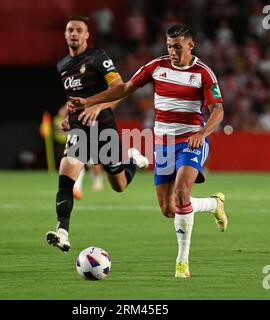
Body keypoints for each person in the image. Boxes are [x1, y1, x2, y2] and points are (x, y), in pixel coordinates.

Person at [69, 24, 229, 278]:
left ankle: (182, 264)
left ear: (190, 45)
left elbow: (218, 111)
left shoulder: (203, 74)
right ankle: (213, 204)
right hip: (163, 144)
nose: (173, 51)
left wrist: (201, 133)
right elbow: (124, 88)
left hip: (191, 141)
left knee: (181, 191)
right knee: (169, 209)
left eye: (177, 46)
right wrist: (89, 101)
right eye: (169, 46)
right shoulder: (156, 67)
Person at [45, 16, 149, 252]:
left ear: (86, 35)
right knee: (65, 180)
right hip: (79, 130)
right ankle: (62, 231)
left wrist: (96, 106)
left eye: (78, 30)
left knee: (119, 185)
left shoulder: (97, 57)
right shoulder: (62, 65)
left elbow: (120, 89)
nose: (74, 33)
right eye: (70, 29)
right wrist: (67, 117)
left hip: (103, 127)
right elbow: (73, 97)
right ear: (65, 34)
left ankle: (131, 158)